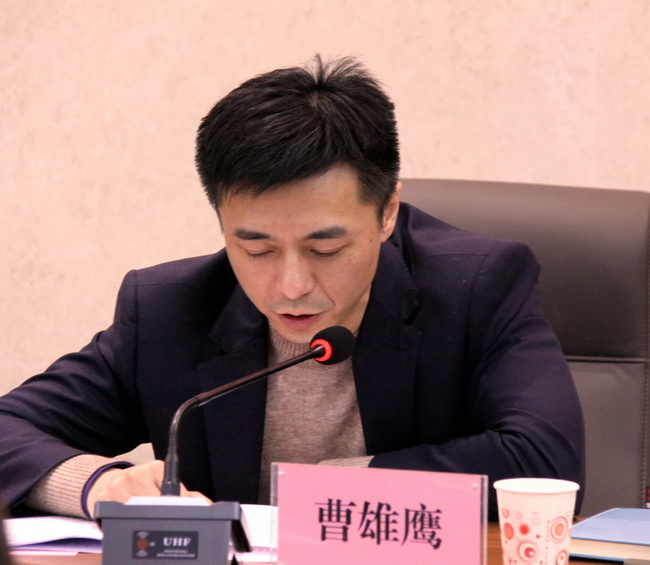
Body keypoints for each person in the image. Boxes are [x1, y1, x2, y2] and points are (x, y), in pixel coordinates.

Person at [0, 55, 585, 522]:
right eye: (256, 250)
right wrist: (98, 486)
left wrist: (318, 492)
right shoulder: (169, 310)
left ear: (387, 213)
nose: (291, 286)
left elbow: (545, 463)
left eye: (324, 249)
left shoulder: (477, 286)